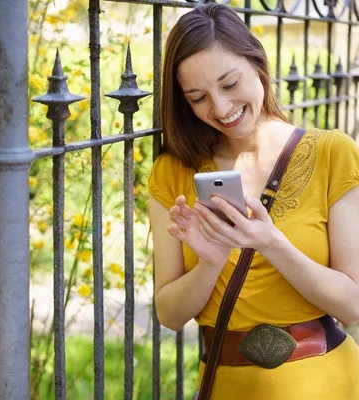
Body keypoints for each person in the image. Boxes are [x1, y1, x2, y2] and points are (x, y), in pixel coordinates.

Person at [147, 3, 359, 399]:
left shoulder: (333, 153)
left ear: (257, 63)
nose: (221, 108)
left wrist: (269, 241)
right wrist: (211, 259)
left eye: (229, 84)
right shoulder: (173, 171)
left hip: (328, 382)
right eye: (198, 97)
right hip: (228, 384)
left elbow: (352, 305)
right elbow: (170, 315)